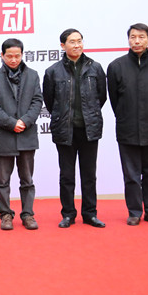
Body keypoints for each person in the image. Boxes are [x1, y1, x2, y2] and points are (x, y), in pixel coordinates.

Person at [43, 29, 107, 229]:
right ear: (63, 45)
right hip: (65, 129)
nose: (77, 45)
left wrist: (88, 115)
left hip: (89, 129)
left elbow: (101, 97)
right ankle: (68, 214)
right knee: (67, 175)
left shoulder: (95, 68)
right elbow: (50, 101)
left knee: (89, 175)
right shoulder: (53, 71)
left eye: (79, 41)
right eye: (72, 42)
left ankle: (90, 214)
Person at [107, 23, 148, 226]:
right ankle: (134, 211)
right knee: (131, 175)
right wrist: (126, 116)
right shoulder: (116, 66)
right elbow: (114, 100)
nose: (137, 41)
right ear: (128, 40)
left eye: (141, 37)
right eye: (133, 37)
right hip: (128, 128)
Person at [0, 38, 43, 231]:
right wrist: (11, 123)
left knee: (27, 180)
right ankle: (6, 214)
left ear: (22, 55)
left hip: (27, 134)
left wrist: (25, 121)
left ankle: (28, 214)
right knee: (3, 181)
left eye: (17, 56)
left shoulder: (33, 75)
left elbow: (37, 101)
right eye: (9, 56)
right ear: (2, 55)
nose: (13, 59)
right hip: (5, 135)